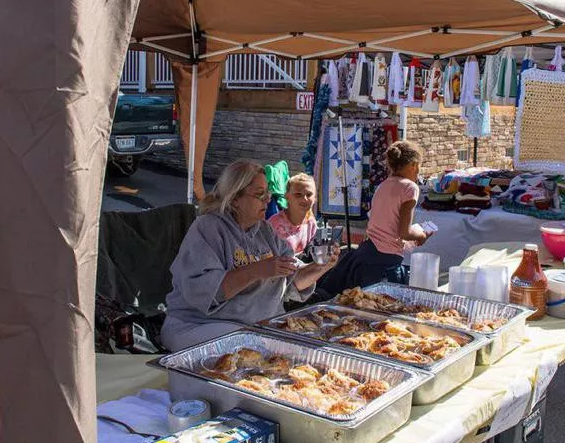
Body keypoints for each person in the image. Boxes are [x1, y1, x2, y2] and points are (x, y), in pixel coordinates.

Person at [161, 160, 338, 351]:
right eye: (259, 194)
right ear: (234, 198)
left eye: (268, 193)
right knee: (255, 352)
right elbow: (206, 292)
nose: (267, 200)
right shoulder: (208, 228)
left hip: (255, 328)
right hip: (200, 325)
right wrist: (256, 271)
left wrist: (321, 266)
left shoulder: (266, 232)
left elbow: (292, 283)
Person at [317, 141, 429, 296]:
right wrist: (421, 235)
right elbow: (404, 232)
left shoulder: (383, 185)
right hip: (383, 261)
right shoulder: (410, 188)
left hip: (365, 252)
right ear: (414, 165)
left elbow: (384, 225)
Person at [267, 172, 318, 255]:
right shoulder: (273, 224)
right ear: (287, 197)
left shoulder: (311, 223)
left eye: (309, 195)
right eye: (298, 195)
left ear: (315, 198)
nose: (304, 199)